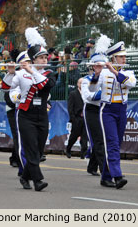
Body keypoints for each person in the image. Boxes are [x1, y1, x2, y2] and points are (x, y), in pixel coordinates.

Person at [10, 28, 56, 191]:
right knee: (30, 147)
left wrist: (32, 71)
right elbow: (7, 87)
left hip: (42, 114)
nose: (44, 60)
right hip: (26, 115)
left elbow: (46, 86)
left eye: (45, 57)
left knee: (37, 150)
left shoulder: (50, 73)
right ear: (34, 59)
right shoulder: (22, 74)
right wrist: (11, 73)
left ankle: (25, 176)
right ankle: (38, 180)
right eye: (41, 58)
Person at [89, 40, 136, 189]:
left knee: (117, 143)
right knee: (113, 143)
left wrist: (114, 71)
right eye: (121, 57)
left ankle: (106, 177)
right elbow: (92, 88)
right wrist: (96, 74)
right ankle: (117, 176)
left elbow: (130, 83)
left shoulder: (128, 72)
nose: (124, 59)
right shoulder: (103, 72)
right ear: (113, 58)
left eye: (124, 57)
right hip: (107, 110)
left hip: (122, 110)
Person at [81, 67, 104, 176]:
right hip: (91, 110)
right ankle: (106, 169)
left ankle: (92, 166)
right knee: (98, 139)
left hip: (104, 109)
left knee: (101, 139)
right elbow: (89, 96)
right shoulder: (86, 80)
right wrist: (105, 94)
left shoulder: (107, 78)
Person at [65, 78, 88, 159]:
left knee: (85, 137)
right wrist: (73, 118)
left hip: (85, 118)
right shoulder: (73, 94)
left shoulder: (87, 93)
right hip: (77, 118)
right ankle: (68, 149)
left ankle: (83, 153)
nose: (82, 85)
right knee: (74, 136)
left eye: (83, 83)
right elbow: (70, 107)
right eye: (80, 83)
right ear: (77, 84)